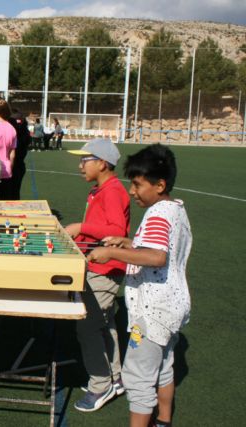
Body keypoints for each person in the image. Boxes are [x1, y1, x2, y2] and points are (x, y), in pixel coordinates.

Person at [87, 144, 191, 427]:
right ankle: (164, 421)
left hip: (152, 312)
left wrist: (111, 253)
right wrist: (129, 243)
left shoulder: (157, 214)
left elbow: (156, 256)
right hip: (172, 307)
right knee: (164, 368)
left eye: (137, 184)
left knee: (138, 378)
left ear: (159, 185)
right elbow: (162, 249)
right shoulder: (176, 210)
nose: (132, 191)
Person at [64, 138, 130, 412]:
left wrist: (82, 226)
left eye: (85, 159)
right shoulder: (102, 189)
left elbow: (117, 230)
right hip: (100, 266)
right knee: (105, 324)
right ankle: (115, 377)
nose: (80, 164)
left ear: (102, 164)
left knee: (88, 326)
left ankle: (100, 385)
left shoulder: (112, 191)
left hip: (106, 269)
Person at [8, 110, 32, 200]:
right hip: (19, 166)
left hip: (11, 165)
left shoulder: (14, 133)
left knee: (7, 194)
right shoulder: (25, 132)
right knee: (15, 192)